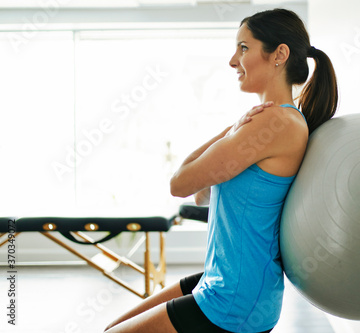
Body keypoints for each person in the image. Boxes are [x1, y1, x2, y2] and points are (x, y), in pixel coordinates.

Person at [104, 8, 338, 333]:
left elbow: (179, 183)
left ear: (279, 55)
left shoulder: (275, 122)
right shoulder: (268, 121)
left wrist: (233, 131)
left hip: (236, 300)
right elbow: (202, 194)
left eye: (243, 48)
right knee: (113, 327)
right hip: (225, 279)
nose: (232, 61)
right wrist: (235, 129)